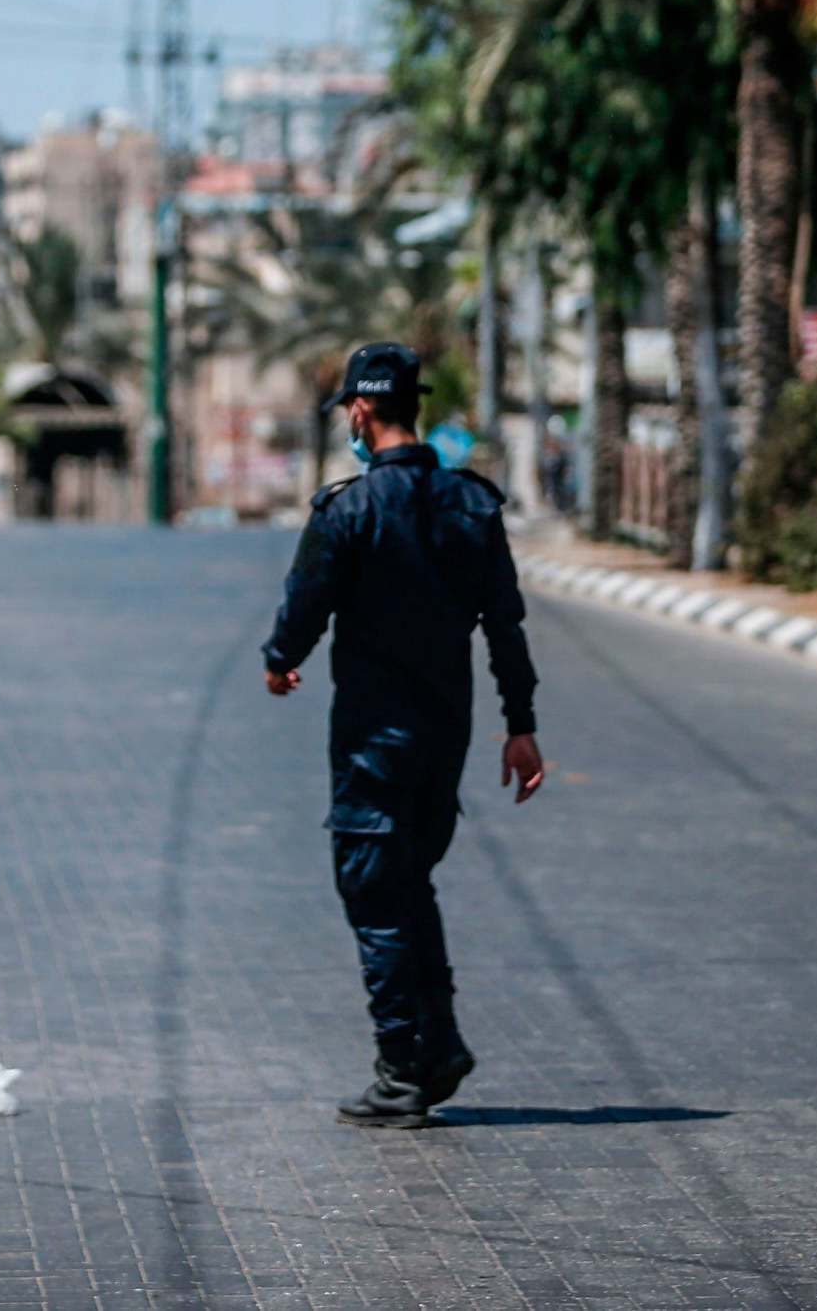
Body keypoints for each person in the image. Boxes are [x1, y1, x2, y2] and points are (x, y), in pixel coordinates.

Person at [262, 341, 544, 1130]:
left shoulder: (347, 511)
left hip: (372, 743)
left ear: (359, 411)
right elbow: (507, 628)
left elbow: (303, 608)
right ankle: (442, 1045)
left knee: (376, 895)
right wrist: (520, 727)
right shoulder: (472, 505)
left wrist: (281, 663)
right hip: (445, 738)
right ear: (411, 407)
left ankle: (400, 1070)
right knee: (409, 885)